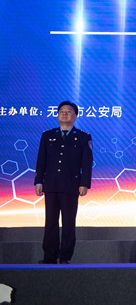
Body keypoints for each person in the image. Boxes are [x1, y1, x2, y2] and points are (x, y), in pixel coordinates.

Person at [34, 101, 93, 264]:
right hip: (51, 185)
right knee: (50, 222)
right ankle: (49, 257)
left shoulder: (83, 137)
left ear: (75, 116)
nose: (64, 114)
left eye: (68, 111)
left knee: (68, 223)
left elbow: (87, 162)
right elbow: (41, 160)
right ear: (57, 115)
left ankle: (65, 256)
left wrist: (84, 183)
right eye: (61, 111)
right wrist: (38, 181)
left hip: (71, 186)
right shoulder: (47, 135)